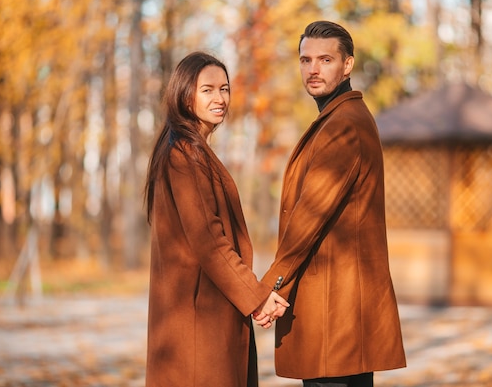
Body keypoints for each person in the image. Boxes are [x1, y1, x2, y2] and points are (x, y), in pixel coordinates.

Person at [254, 21, 407, 386]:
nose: (313, 69)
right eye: (306, 60)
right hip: (341, 310)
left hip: (335, 311)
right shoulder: (340, 118)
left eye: (325, 59)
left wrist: (272, 285)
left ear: (348, 65)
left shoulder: (342, 125)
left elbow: (309, 216)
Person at [143, 51, 289, 387]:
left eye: (224, 89)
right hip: (197, 319)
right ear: (185, 94)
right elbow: (210, 242)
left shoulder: (193, 151)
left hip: (205, 313)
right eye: (207, 90)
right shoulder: (183, 155)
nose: (220, 98)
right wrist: (257, 296)